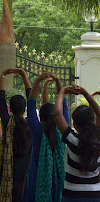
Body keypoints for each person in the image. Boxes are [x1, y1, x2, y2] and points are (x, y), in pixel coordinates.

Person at [54, 84, 100, 201]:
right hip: (95, 195)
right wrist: (85, 93)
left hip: (72, 195)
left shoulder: (72, 140)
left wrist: (62, 91)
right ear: (93, 121)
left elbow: (58, 114)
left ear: (75, 125)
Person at [27, 71, 69, 202]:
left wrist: (37, 81)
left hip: (37, 177)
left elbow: (31, 105)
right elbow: (64, 106)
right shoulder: (63, 131)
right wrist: (57, 82)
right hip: (60, 179)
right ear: (58, 116)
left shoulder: (37, 131)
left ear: (40, 117)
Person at [0, 68, 32, 202]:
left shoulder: (7, 123)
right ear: (25, 108)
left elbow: (1, 100)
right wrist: (24, 74)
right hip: (26, 174)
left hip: (7, 174)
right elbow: (32, 99)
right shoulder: (30, 125)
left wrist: (2, 75)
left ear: (10, 109)